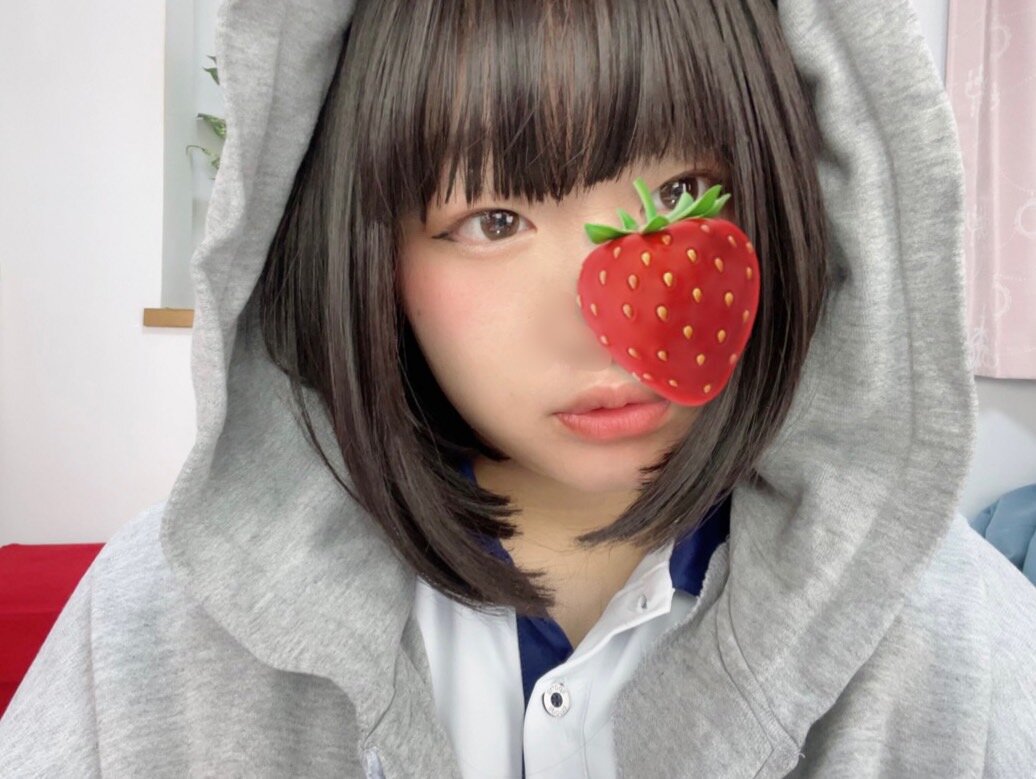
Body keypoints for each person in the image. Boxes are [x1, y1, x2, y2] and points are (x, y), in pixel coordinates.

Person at [2, 0, 1035, 776]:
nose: (605, 322)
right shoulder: (158, 628)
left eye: (682, 190)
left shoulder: (953, 634)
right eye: (492, 221)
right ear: (372, 257)